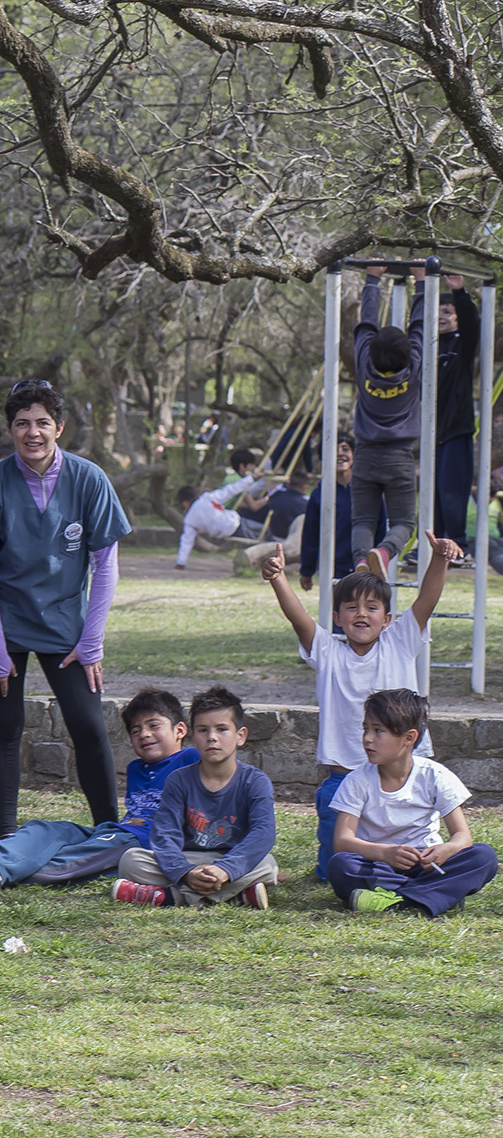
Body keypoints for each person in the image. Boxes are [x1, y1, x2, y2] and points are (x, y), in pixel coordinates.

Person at [0, 379, 131, 838]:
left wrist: (92, 642)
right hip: (4, 622)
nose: (32, 433)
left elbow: (106, 565)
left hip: (66, 624)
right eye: (22, 424)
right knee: (5, 726)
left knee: (88, 725)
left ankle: (108, 833)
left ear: (59, 426)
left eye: (42, 423)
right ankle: (6, 837)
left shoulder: (89, 478)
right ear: (9, 429)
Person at [261, 534, 457, 878]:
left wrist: (439, 559)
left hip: (403, 773)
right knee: (335, 862)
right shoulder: (327, 652)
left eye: (372, 607)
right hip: (344, 775)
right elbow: (298, 618)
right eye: (351, 607)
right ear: (337, 617)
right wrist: (278, 578)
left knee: (410, 848)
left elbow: (427, 599)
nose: (361, 613)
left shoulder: (400, 641)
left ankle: (405, 872)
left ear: (388, 618)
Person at [0, 689, 200, 892]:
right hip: (117, 830)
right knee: (50, 830)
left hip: (144, 843)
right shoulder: (136, 768)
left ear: (179, 730)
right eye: (135, 730)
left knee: (71, 857)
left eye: (154, 725)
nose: (144, 734)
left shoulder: (191, 759)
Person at [328, 689, 498, 916]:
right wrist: (385, 853)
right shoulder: (357, 780)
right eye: (365, 729)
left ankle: (395, 900)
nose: (368, 738)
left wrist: (447, 849)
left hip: (426, 865)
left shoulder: (434, 775)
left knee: (484, 857)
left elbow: (462, 836)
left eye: (378, 731)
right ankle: (437, 897)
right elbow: (342, 841)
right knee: (341, 865)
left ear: (409, 738)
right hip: (380, 865)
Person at [112, 686, 278, 909]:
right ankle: (236, 896)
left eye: (222, 729)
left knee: (267, 864)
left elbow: (263, 833)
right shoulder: (178, 780)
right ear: (193, 737)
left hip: (231, 859)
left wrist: (225, 869)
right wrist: (185, 872)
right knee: (131, 861)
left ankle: (169, 897)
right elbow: (164, 834)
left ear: (240, 736)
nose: (212, 738)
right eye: (202, 730)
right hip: (187, 858)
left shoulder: (255, 781)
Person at [351, 267, 423, 578]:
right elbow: (420, 327)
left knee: (363, 521)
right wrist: (423, 283)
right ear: (407, 354)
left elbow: (366, 322)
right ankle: (384, 551)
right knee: (404, 522)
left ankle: (361, 562)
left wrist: (372, 280)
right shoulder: (414, 368)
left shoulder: (363, 363)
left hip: (364, 456)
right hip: (399, 457)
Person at [412, 277, 481, 553]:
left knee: (451, 490)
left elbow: (472, 322)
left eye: (447, 312)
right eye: (437, 311)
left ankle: (457, 544)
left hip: (456, 429)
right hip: (431, 432)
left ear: (457, 319)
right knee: (430, 491)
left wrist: (459, 292)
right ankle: (429, 544)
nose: (441, 316)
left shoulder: (462, 345)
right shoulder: (427, 346)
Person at [173, 449, 269, 568]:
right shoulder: (207, 499)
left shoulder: (190, 521)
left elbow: (186, 541)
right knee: (266, 534)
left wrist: (181, 562)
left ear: (185, 503)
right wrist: (251, 479)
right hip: (236, 523)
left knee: (261, 537)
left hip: (227, 532)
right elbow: (231, 490)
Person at [299, 434, 360, 590]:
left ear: (354, 455)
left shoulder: (367, 491)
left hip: (363, 565)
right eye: (334, 449)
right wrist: (307, 570)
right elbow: (311, 534)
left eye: (345, 449)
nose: (340, 454)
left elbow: (380, 526)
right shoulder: (319, 495)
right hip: (334, 567)